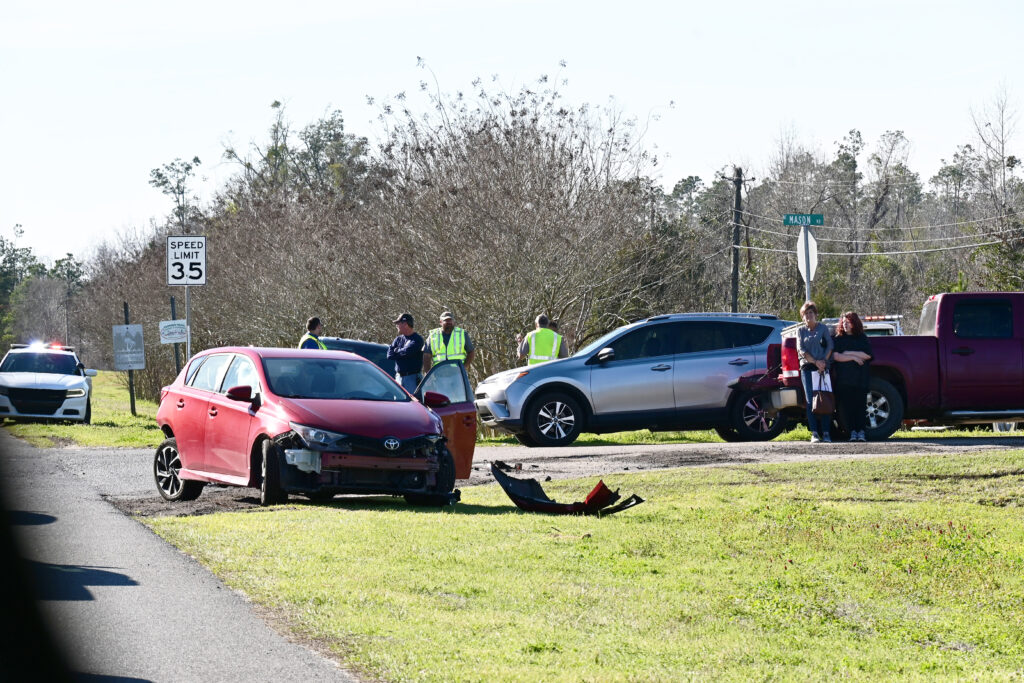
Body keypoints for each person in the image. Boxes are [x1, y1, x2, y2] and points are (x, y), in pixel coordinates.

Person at [831, 311, 874, 442]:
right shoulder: (838, 339)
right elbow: (836, 356)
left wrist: (849, 353)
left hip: (860, 380)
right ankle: (852, 432)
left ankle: (861, 432)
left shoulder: (862, 338)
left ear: (854, 323)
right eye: (843, 322)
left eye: (847, 322)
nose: (845, 325)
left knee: (860, 407)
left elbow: (867, 355)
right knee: (847, 408)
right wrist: (854, 357)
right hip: (844, 380)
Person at [796, 301, 834, 443]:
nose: (808, 316)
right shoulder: (800, 331)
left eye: (811, 313)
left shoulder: (823, 328)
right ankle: (814, 433)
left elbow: (830, 345)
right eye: (806, 314)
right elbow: (801, 350)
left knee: (825, 398)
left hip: (823, 368)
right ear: (802, 317)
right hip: (808, 368)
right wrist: (815, 362)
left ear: (816, 314)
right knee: (810, 400)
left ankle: (826, 433)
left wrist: (823, 361)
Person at [387, 313, 425, 393]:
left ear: (405, 324)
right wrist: (400, 351)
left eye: (398, 323)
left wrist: (397, 351)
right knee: (398, 403)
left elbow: (407, 352)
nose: (396, 326)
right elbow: (389, 355)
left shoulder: (417, 340)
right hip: (398, 377)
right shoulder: (398, 339)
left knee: (412, 403)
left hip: (412, 379)